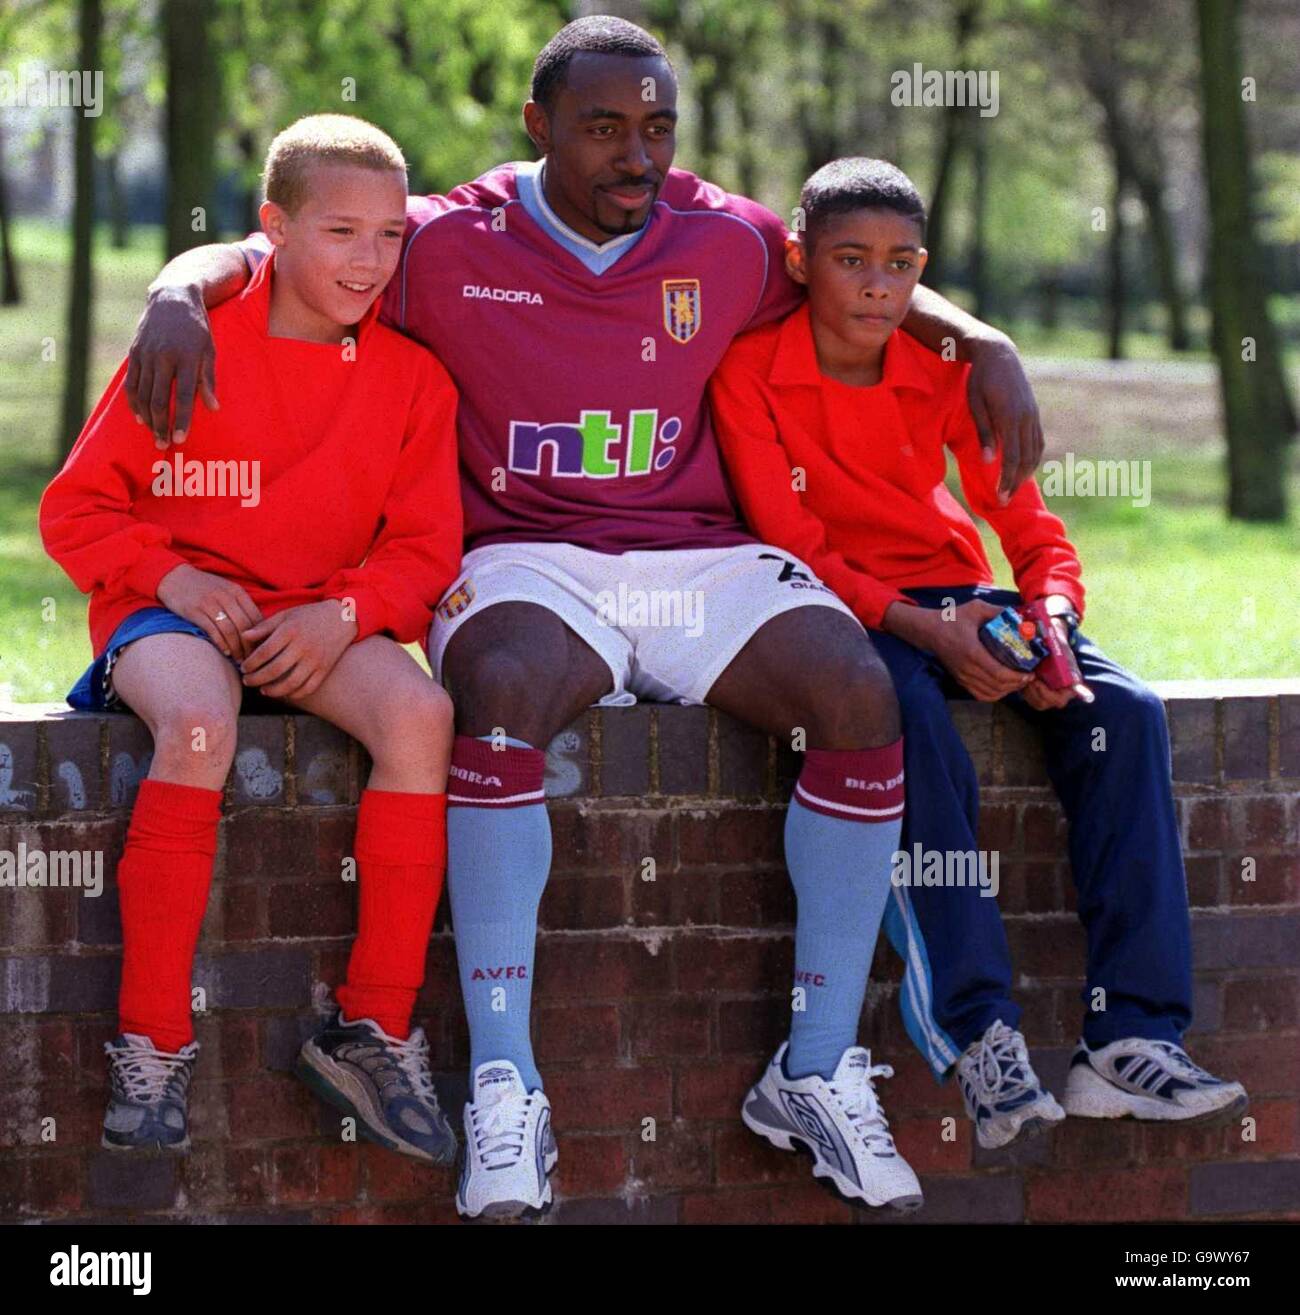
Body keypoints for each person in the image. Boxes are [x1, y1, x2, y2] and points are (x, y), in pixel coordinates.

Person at [120, 17, 1049, 1218]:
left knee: (856, 688)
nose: (635, 155)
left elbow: (860, 268)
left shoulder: (728, 239)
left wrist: (981, 336)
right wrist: (173, 287)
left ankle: (813, 1068)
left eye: (656, 128)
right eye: (604, 127)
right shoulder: (446, 243)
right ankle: (505, 1083)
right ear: (538, 126)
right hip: (523, 562)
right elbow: (286, 251)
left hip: (695, 555)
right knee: (492, 694)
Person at [709, 156, 1248, 1154]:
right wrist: (932, 637)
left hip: (958, 596)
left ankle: (1128, 1039)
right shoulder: (754, 371)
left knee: (1122, 714)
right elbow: (795, 545)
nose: (877, 285)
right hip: (840, 610)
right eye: (850, 260)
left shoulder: (945, 372)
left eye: (901, 263)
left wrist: (1046, 617)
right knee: (906, 719)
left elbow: (1030, 527)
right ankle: (979, 1033)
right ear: (798, 261)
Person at [40, 114, 465, 1166]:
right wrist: (173, 574)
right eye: (339, 232)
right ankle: (152, 1041)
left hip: (317, 610)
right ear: (272, 228)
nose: (368, 261)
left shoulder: (413, 377)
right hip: (171, 612)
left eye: (389, 236)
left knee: (419, 713)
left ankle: (372, 1026)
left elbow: (423, 553)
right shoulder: (188, 345)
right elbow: (74, 513)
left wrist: (348, 614)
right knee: (195, 721)